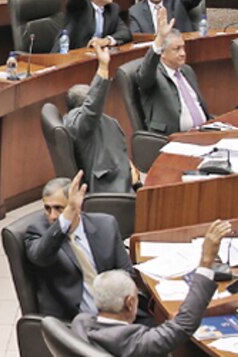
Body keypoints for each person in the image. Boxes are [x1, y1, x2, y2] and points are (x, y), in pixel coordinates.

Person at [72, 220, 233, 357]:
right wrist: (206, 261)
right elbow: (184, 325)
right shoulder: (137, 343)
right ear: (130, 302)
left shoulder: (80, 323)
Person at [24, 173, 135, 321]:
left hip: (113, 313)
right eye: (47, 208)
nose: (52, 216)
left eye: (59, 208)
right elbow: (41, 256)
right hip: (73, 321)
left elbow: (126, 272)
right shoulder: (39, 232)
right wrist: (66, 217)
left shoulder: (106, 225)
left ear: (78, 206)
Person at [64, 42, 138, 193]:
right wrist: (103, 67)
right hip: (109, 187)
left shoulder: (104, 122)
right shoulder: (80, 124)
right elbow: (93, 106)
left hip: (124, 179)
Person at [137, 7, 210, 135]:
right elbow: (144, 76)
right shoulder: (154, 75)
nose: (183, 53)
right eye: (176, 49)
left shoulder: (186, 71)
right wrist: (160, 38)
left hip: (203, 133)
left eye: (183, 48)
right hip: (172, 138)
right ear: (163, 52)